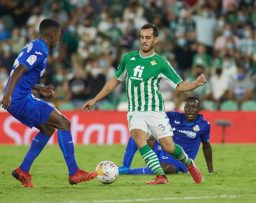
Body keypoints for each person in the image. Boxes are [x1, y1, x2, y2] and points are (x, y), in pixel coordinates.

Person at [82, 23, 207, 184]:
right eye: (142, 37)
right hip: (135, 111)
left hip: (155, 111)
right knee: (140, 140)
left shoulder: (161, 63)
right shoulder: (128, 58)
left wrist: (195, 83)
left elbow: (180, 85)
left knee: (169, 147)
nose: (144, 41)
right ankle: (160, 176)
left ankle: (190, 165)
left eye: (148, 37)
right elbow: (114, 82)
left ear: (156, 40)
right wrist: (95, 99)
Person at [1, 19, 97, 188]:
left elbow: (23, 73)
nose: (59, 39)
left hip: (20, 97)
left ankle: (23, 170)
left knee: (48, 128)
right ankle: (74, 173)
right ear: (52, 34)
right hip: (19, 99)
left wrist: (39, 88)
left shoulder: (34, 45)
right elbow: (19, 70)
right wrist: (8, 94)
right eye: (58, 35)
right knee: (64, 123)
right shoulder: (40, 49)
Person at [118, 97, 213, 175]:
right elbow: (156, 115)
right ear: (184, 108)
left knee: (166, 168)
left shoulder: (204, 125)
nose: (190, 110)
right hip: (162, 151)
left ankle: (128, 172)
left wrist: (211, 170)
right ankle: (125, 166)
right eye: (188, 107)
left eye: (194, 107)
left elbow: (206, 147)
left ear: (199, 109)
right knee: (138, 134)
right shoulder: (174, 116)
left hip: (179, 161)